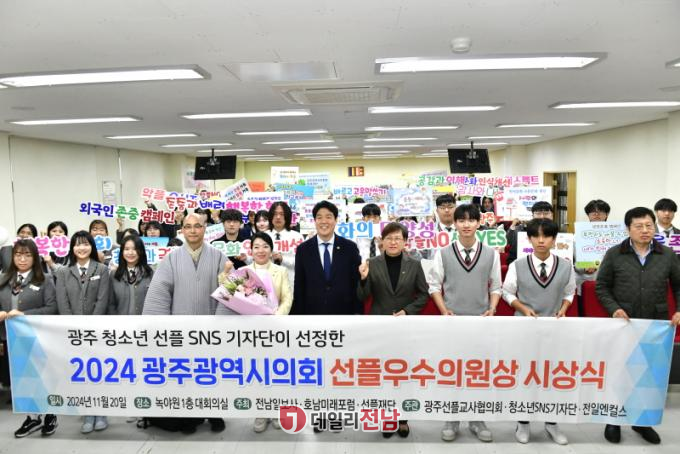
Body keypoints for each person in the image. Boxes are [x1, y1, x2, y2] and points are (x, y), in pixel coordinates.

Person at [596, 206, 680, 445]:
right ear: (628, 229)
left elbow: (679, 286)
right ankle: (613, 421)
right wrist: (614, 309)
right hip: (624, 323)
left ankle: (642, 422)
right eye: (639, 226)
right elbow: (602, 286)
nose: (645, 230)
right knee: (620, 372)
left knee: (648, 376)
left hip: (656, 324)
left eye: (649, 225)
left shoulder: (667, 254)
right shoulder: (615, 254)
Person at [142, 213, 228, 433]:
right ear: (182, 230)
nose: (192, 230)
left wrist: (221, 325)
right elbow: (159, 294)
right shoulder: (171, 259)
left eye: (197, 226)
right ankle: (190, 417)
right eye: (188, 226)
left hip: (211, 330)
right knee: (186, 375)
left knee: (211, 373)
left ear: (205, 228)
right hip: (180, 331)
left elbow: (230, 291)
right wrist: (161, 329)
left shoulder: (219, 256)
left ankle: (215, 413)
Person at [427, 204, 502, 443]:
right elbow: (434, 286)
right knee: (453, 371)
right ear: (455, 224)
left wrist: (492, 309)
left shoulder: (491, 254)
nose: (466, 225)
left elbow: (496, 286)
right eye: (462, 220)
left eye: (471, 220)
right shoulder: (443, 253)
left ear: (479, 223)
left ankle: (477, 419)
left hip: (481, 322)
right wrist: (444, 311)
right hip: (452, 322)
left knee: (477, 372)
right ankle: (452, 418)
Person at [502, 219, 576, 445]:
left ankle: (551, 423)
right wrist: (523, 308)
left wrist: (564, 308)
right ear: (529, 239)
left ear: (554, 240)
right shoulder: (517, 265)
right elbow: (507, 292)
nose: (541, 240)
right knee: (525, 375)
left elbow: (570, 292)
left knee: (552, 376)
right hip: (524, 328)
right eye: (536, 236)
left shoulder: (566, 266)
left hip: (554, 329)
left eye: (546, 236)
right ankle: (522, 423)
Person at [357, 222, 427, 439]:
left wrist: (407, 311)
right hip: (380, 327)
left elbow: (423, 295)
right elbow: (363, 297)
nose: (393, 242)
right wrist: (363, 278)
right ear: (382, 241)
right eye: (389, 238)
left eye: (398, 238)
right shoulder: (372, 263)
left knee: (403, 373)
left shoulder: (414, 264)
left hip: (405, 327)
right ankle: (387, 417)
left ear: (405, 242)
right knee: (382, 374)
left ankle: (403, 418)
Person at [217, 232, 292, 433]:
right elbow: (226, 288)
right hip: (252, 330)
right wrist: (226, 272)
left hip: (275, 329)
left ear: (271, 250)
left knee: (276, 372)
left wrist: (276, 317)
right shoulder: (244, 271)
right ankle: (261, 412)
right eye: (257, 247)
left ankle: (277, 411)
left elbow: (287, 298)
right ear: (251, 250)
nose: (261, 250)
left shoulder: (280, 271)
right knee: (258, 372)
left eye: (265, 246)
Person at [0, 239, 58, 438]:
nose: (22, 259)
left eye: (27, 255)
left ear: (35, 257)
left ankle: (50, 415)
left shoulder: (45, 279)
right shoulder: (3, 279)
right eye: (18, 255)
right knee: (22, 380)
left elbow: (52, 308)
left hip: (38, 337)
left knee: (43, 377)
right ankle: (32, 417)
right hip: (11, 338)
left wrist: (25, 315)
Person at [55, 231, 111, 433]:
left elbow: (102, 299)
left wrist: (91, 326)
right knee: (82, 374)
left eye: (86, 244)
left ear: (92, 247)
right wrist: (74, 326)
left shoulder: (102, 269)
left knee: (99, 372)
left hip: (97, 331)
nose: (82, 248)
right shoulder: (63, 272)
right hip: (74, 333)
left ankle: (101, 412)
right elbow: (62, 302)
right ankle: (88, 413)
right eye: (78, 244)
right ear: (72, 248)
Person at [292, 200, 361, 315]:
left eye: (328, 217)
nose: (324, 221)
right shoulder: (303, 250)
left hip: (344, 312)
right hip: (313, 313)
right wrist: (298, 314)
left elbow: (356, 283)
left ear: (336, 220)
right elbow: (299, 285)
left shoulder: (350, 248)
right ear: (315, 221)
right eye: (319, 217)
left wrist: (357, 312)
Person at [575, 199, 612, 298]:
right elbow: (571, 260)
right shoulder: (578, 235)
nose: (596, 214)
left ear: (607, 214)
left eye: (600, 211)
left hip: (610, 283)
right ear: (588, 215)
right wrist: (584, 267)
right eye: (593, 211)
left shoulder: (615, 235)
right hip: (585, 282)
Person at [110, 235, 154, 315]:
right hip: (120, 321)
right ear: (122, 252)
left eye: (135, 249)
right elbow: (111, 304)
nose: (130, 253)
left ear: (141, 251)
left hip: (145, 321)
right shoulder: (114, 275)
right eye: (126, 249)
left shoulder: (150, 273)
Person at [267, 202, 304, 289]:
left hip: (290, 283)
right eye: (275, 214)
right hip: (268, 284)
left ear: (287, 216)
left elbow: (302, 262)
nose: (278, 217)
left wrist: (283, 259)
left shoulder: (297, 237)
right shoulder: (263, 236)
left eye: (282, 214)